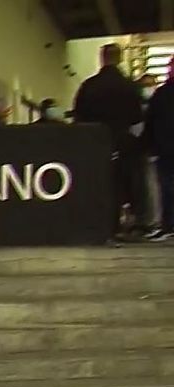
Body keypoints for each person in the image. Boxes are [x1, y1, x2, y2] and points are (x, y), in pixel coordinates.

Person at [74, 43, 146, 239]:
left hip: (95, 143)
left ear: (102, 58)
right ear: (120, 58)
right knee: (125, 184)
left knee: (99, 184)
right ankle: (127, 225)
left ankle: (102, 225)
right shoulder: (130, 86)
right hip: (124, 143)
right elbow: (137, 119)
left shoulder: (89, 86)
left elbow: (79, 117)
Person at [144, 60, 174, 241]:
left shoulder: (161, 94)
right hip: (165, 147)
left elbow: (151, 121)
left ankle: (169, 224)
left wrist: (149, 145)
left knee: (167, 187)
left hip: (165, 149)